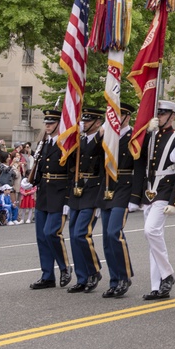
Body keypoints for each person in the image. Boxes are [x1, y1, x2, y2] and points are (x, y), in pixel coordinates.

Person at [139, 101, 175, 301]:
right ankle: (157, 286)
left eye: (163, 113)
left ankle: (167, 274)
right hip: (149, 188)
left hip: (164, 189)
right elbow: (139, 160)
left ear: (173, 116)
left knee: (151, 231)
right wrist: (143, 134)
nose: (159, 116)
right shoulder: (150, 136)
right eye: (157, 113)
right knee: (153, 238)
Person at [100, 103, 140, 299]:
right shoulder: (108, 137)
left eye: (118, 116)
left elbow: (139, 168)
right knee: (106, 239)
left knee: (114, 232)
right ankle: (114, 280)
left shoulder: (134, 137)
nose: (113, 119)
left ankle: (124, 276)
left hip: (125, 187)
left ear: (127, 117)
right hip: (108, 187)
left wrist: (135, 196)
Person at [29, 108, 72, 290]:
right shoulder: (44, 143)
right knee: (41, 236)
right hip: (44, 192)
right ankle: (47, 275)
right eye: (46, 123)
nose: (47, 126)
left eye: (51, 123)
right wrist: (30, 179)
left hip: (60, 193)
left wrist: (68, 200)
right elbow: (41, 167)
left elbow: (71, 173)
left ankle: (64, 267)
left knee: (51, 233)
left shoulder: (66, 145)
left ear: (59, 125)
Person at [65, 107, 105, 293]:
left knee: (82, 233)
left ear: (98, 123)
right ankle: (82, 277)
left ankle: (94, 270)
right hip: (77, 190)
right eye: (84, 120)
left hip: (93, 191)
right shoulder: (78, 140)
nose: (84, 124)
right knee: (73, 235)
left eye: (88, 121)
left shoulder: (103, 139)